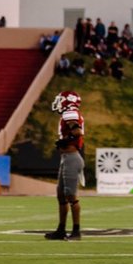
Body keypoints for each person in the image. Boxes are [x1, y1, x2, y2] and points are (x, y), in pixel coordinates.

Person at [45, 91, 85, 241]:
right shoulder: (68, 113)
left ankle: (76, 231)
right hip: (67, 158)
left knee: (71, 196)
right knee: (61, 195)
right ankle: (61, 230)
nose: (58, 102)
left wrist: (66, 140)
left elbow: (77, 132)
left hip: (71, 158)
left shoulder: (70, 112)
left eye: (61, 99)